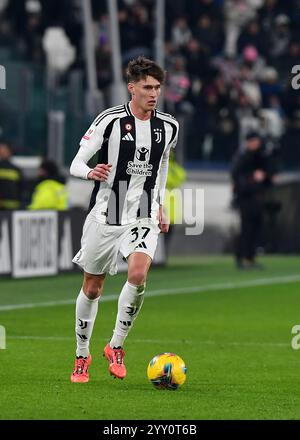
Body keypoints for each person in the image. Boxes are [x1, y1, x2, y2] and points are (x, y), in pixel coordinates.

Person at [69, 56, 179, 383]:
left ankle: (116, 345)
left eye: (157, 87)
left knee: (139, 273)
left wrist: (158, 203)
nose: (154, 93)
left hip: (144, 211)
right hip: (108, 210)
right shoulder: (110, 121)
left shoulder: (169, 126)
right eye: (147, 87)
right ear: (131, 88)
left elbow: (161, 166)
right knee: (92, 288)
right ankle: (82, 354)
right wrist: (90, 171)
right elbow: (75, 162)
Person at [231, 131, 274, 269]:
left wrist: (265, 177)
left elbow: (269, 173)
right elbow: (237, 177)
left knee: (256, 228)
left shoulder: (260, 156)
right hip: (246, 198)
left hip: (258, 197)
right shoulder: (242, 157)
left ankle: (250, 257)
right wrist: (252, 178)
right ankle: (242, 257)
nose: (256, 143)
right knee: (247, 228)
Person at [0, 141, 23, 209]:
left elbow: (21, 187)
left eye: (4, 150)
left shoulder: (16, 169)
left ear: (9, 151)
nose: (2, 152)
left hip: (13, 206)